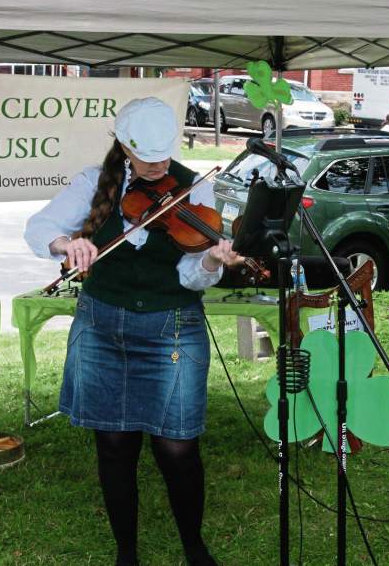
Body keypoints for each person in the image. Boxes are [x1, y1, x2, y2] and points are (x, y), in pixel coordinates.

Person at [25, 97, 243, 566]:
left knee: (178, 446)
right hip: (102, 326)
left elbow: (192, 274)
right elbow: (39, 227)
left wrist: (210, 260)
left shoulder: (193, 190)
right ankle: (127, 552)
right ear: (125, 146)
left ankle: (193, 545)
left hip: (172, 327)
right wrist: (69, 242)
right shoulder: (93, 182)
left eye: (166, 154)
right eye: (148, 157)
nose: (160, 165)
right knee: (114, 443)